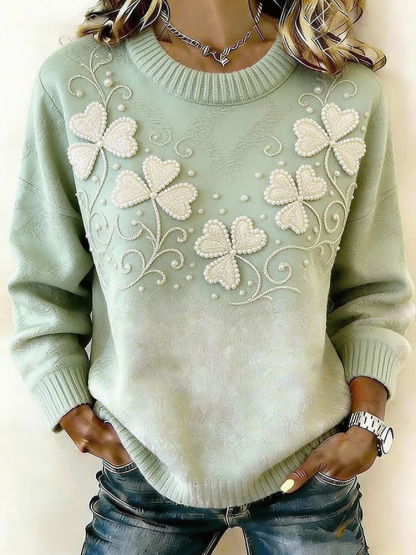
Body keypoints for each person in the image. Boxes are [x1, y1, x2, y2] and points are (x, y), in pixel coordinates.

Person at [7, 0, 416, 553]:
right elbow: (42, 279)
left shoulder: (344, 93)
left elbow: (373, 289)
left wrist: (369, 424)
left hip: (310, 472)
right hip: (141, 465)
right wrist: (69, 406)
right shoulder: (78, 84)